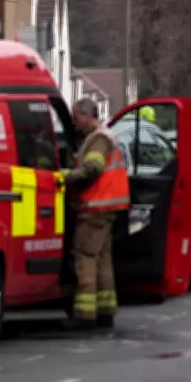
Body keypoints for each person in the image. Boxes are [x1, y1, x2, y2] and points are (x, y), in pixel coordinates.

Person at [61, 98, 130, 329]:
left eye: (76, 117)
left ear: (86, 115)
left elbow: (92, 169)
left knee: (86, 258)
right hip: (106, 209)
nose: (74, 122)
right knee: (102, 260)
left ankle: (85, 315)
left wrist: (65, 176)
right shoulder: (104, 135)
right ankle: (105, 310)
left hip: (95, 207)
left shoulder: (98, 139)